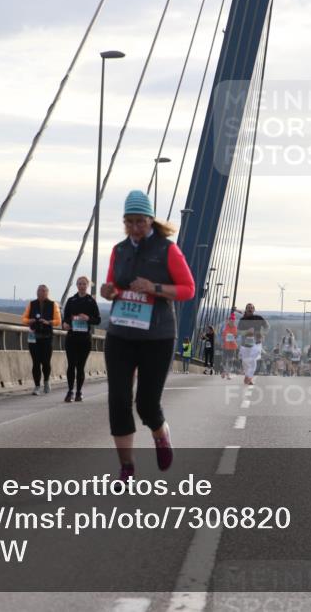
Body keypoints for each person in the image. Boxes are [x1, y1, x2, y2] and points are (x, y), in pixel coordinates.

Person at [100, 191, 195, 482]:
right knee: (118, 400)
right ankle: (126, 467)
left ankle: (160, 434)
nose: (135, 228)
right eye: (129, 222)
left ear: (151, 220)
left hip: (157, 336)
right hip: (121, 333)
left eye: (140, 221)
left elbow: (187, 289)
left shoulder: (167, 249)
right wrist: (109, 291)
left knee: (146, 404)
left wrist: (154, 287)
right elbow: (113, 285)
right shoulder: (119, 250)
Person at [61, 276, 101, 403]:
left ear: (87, 285)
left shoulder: (91, 301)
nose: (82, 286)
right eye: (79, 284)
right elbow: (65, 318)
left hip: (85, 339)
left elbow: (98, 320)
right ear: (77, 285)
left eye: (84, 284)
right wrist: (65, 324)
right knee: (71, 365)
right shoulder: (71, 300)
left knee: (80, 366)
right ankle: (70, 391)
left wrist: (88, 318)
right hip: (72, 337)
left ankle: (79, 391)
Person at [23, 284, 62, 395]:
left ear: (48, 293)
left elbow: (58, 321)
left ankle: (46, 381)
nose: (42, 292)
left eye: (44, 291)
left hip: (46, 337)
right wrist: (29, 321)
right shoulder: (31, 304)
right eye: (40, 290)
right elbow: (23, 319)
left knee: (45, 362)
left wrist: (48, 322)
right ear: (37, 292)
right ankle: (36, 386)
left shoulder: (53, 304)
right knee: (36, 363)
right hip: (34, 337)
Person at [238, 303, 268, 385]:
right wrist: (247, 332)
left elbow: (267, 326)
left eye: (251, 308)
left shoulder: (259, 318)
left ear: (254, 310)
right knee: (245, 361)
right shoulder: (242, 320)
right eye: (248, 308)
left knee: (253, 360)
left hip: (257, 343)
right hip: (245, 344)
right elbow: (239, 332)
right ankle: (247, 375)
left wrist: (263, 333)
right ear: (246, 309)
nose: (250, 309)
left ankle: (249, 377)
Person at [220, 313, 238, 379]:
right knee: (224, 360)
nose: (232, 322)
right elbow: (221, 336)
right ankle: (224, 371)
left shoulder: (235, 328)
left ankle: (228, 374)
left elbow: (236, 336)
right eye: (231, 320)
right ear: (229, 320)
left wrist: (235, 337)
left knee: (231, 360)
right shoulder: (225, 327)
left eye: (233, 321)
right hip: (225, 345)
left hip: (232, 346)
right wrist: (222, 343)